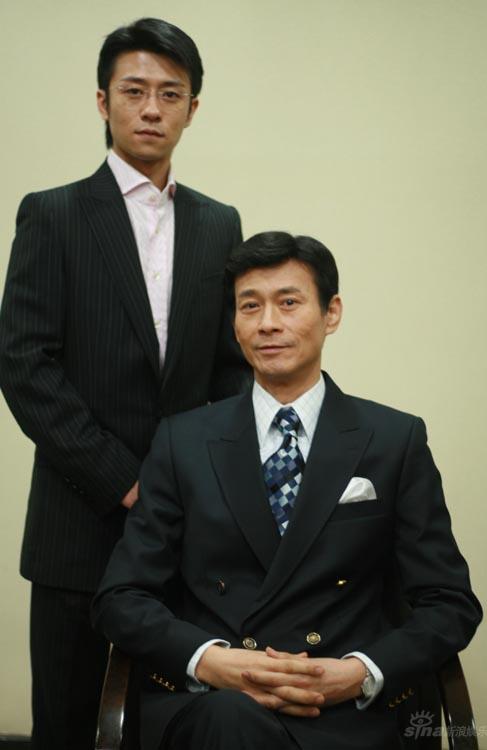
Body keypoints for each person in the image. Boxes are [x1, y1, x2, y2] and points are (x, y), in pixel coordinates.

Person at [92, 231, 482, 750]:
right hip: (216, 704)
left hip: (345, 710)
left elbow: (449, 603)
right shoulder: (182, 441)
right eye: (249, 306)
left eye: (289, 303)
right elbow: (121, 597)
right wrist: (212, 661)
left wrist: (360, 672)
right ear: (234, 323)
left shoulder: (393, 439)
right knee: (230, 722)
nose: (268, 323)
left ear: (331, 313)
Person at [0, 17, 250, 750]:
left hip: (188, 527)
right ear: (102, 101)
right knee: (70, 725)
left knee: (170, 725)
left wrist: (202, 480)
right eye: (134, 90)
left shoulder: (219, 223)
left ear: (192, 109)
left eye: (170, 94)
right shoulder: (52, 213)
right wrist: (125, 480)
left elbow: (230, 364)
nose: (150, 109)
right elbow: (25, 363)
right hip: (79, 524)